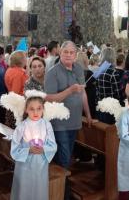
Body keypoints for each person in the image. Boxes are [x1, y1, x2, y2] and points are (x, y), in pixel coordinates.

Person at [44, 41, 92, 200]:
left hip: (76, 119)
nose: (69, 55)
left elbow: (83, 93)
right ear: (60, 53)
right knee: (64, 157)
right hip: (60, 123)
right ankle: (63, 194)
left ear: (76, 54)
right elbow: (49, 99)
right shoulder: (52, 72)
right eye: (66, 52)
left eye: (72, 52)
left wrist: (88, 114)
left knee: (66, 155)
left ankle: (59, 188)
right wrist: (69, 90)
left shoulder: (79, 68)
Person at [10, 93, 57, 200]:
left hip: (40, 163)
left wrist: (43, 149)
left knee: (39, 189)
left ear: (43, 109)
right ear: (26, 110)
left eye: (39, 109)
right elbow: (14, 149)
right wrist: (28, 150)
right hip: (24, 166)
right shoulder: (22, 126)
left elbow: (53, 145)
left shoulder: (46, 125)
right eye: (32, 109)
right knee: (24, 189)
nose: (36, 112)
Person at [96, 47, 122, 124]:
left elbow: (97, 91)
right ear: (113, 57)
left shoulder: (98, 72)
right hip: (112, 110)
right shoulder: (113, 73)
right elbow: (118, 94)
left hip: (101, 107)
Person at [5, 50, 28, 127]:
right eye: (25, 58)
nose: (27, 59)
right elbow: (15, 93)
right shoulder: (19, 73)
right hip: (18, 106)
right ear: (21, 60)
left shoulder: (10, 69)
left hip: (12, 102)